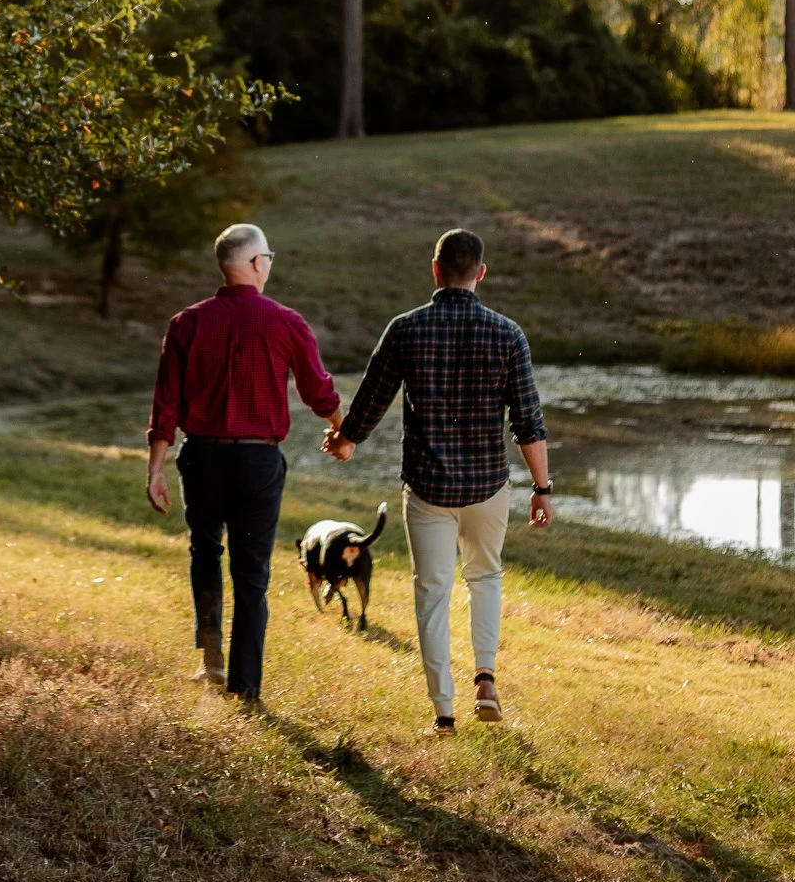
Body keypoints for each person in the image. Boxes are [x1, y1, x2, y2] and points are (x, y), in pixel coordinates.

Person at [324, 227, 550, 733]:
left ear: (435, 269)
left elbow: (371, 399)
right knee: (485, 577)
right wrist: (542, 489)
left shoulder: (406, 329)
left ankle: (443, 713)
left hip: (427, 490)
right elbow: (528, 421)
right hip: (488, 487)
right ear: (481, 274)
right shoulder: (507, 334)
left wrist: (345, 440)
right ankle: (486, 680)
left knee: (432, 591)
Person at [145, 222, 339, 701]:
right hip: (258, 463)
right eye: (268, 257)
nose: (270, 265)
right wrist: (341, 428)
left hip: (202, 460)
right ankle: (245, 685)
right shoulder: (285, 320)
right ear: (255, 263)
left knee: (205, 553)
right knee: (251, 574)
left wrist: (155, 468)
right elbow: (317, 390)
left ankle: (211, 660)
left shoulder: (186, 323)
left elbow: (165, 403)